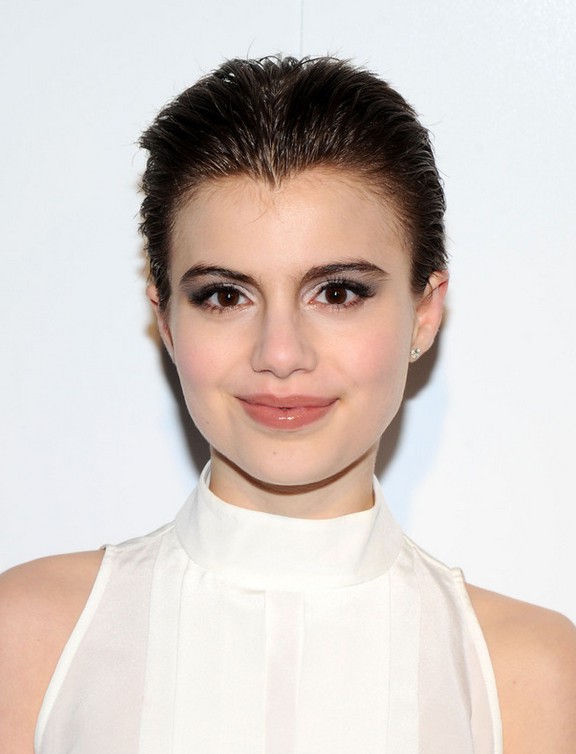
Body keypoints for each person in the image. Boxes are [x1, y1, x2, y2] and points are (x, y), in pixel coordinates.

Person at [1, 55, 575, 754]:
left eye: (337, 292)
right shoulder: (30, 636)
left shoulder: (528, 672)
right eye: (225, 295)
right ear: (166, 320)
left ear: (425, 312)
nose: (280, 353)